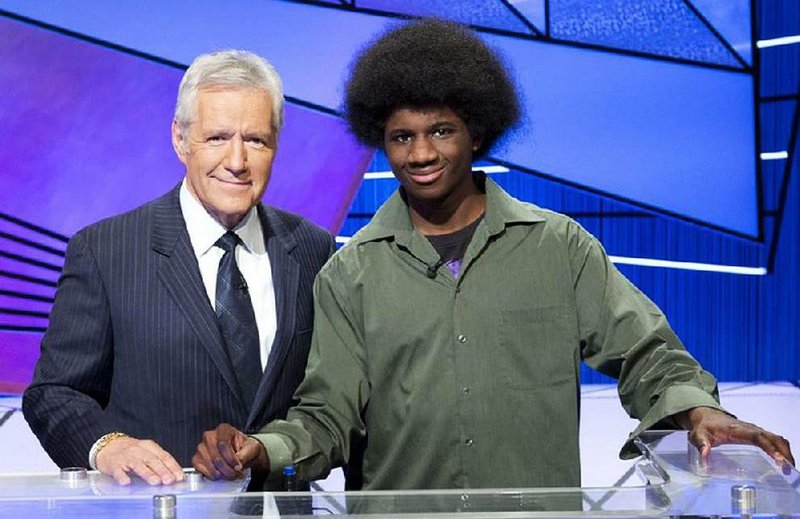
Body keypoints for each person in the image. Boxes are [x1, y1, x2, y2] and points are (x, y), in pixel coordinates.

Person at [193, 20, 794, 489]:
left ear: (477, 133)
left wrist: (697, 414)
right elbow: (325, 417)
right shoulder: (350, 273)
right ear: (382, 142)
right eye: (402, 137)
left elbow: (647, 355)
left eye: (441, 131)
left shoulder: (558, 248)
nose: (421, 153)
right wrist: (262, 450)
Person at [22, 50, 335, 487]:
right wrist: (108, 445)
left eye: (256, 140)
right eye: (217, 138)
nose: (237, 161)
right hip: (160, 508)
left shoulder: (312, 249)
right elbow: (55, 393)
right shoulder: (106, 251)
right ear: (180, 139)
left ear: (276, 145)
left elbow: (328, 403)